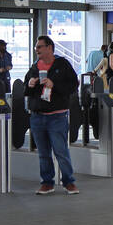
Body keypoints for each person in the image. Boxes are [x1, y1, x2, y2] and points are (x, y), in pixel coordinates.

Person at [24, 35, 81, 195]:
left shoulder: (62, 64)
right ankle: (47, 182)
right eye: (36, 47)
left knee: (60, 150)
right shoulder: (35, 66)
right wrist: (30, 84)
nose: (37, 50)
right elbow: (26, 88)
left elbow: (72, 85)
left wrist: (54, 85)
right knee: (43, 152)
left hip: (57, 116)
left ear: (49, 47)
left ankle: (69, 182)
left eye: (40, 47)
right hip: (37, 115)